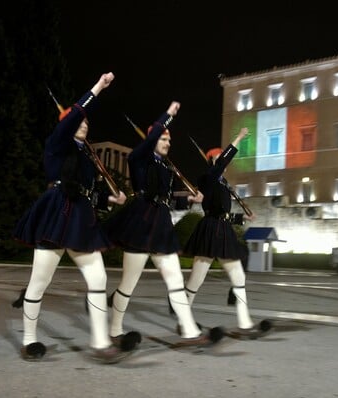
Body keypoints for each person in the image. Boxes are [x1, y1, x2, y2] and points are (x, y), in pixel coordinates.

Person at [12, 72, 138, 363]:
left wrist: (110, 198)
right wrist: (97, 87)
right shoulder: (57, 143)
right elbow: (75, 114)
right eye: (78, 122)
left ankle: (100, 343)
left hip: (80, 216)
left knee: (98, 277)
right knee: (39, 282)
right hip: (56, 213)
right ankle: (29, 340)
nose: (83, 124)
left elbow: (87, 191)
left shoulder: (86, 156)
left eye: (86, 123)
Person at [106, 101, 224, 346]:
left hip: (160, 221)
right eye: (163, 139)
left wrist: (191, 198)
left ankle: (190, 330)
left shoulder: (166, 168)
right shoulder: (138, 158)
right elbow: (148, 146)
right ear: (153, 139)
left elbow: (167, 196)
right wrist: (167, 116)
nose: (168, 143)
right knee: (129, 283)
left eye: (169, 140)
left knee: (175, 280)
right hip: (140, 220)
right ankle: (115, 330)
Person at [181, 127, 271, 338]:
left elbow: (225, 214)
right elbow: (221, 165)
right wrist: (238, 138)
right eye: (219, 156)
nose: (223, 160)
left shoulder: (222, 183)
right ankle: (183, 317)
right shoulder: (207, 178)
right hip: (210, 229)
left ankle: (245, 322)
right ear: (212, 160)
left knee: (238, 276)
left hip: (223, 229)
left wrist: (242, 218)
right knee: (196, 278)